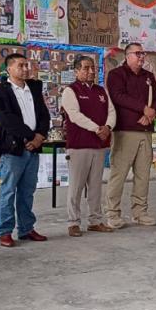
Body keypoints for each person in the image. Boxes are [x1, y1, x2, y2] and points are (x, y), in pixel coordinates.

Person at [0, 53, 51, 247]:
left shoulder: (34, 87)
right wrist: (29, 136)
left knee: (27, 191)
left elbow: (43, 114)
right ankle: (5, 231)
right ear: (9, 69)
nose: (25, 69)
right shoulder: (1, 91)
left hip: (34, 147)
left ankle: (26, 228)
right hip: (13, 148)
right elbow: (7, 120)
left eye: (27, 65)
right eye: (20, 66)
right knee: (8, 191)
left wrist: (40, 136)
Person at [105, 43, 156, 228]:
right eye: (137, 53)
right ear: (127, 55)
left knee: (143, 174)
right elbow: (118, 96)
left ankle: (140, 212)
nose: (141, 57)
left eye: (143, 53)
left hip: (145, 131)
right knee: (119, 174)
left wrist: (152, 111)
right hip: (125, 131)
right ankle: (113, 213)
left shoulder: (148, 76)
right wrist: (143, 109)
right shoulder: (116, 74)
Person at [61, 55, 116, 237]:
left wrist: (107, 127)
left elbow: (111, 112)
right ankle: (73, 222)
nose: (91, 71)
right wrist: (96, 128)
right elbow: (75, 115)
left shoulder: (101, 91)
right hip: (79, 146)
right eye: (86, 68)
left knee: (95, 186)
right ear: (76, 71)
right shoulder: (71, 91)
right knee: (76, 187)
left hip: (99, 145)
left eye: (93, 68)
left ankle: (95, 221)